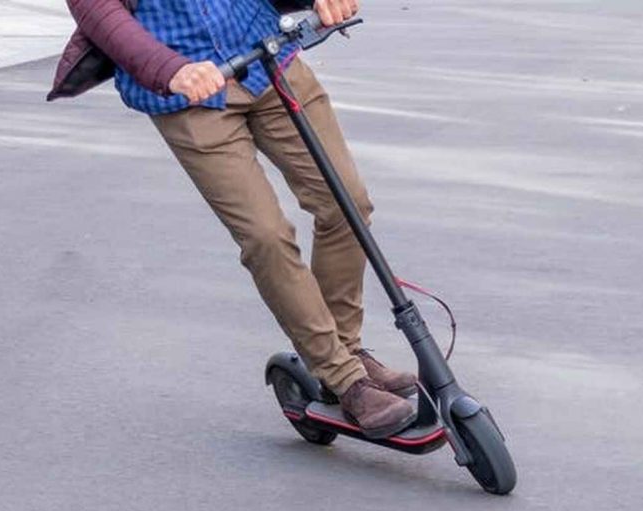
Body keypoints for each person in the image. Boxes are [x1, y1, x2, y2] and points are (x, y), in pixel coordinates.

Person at [48, 0, 417, 439]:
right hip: (189, 93)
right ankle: (343, 377)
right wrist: (171, 69)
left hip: (266, 56)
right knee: (266, 236)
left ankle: (348, 349)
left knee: (347, 202)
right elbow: (99, 13)